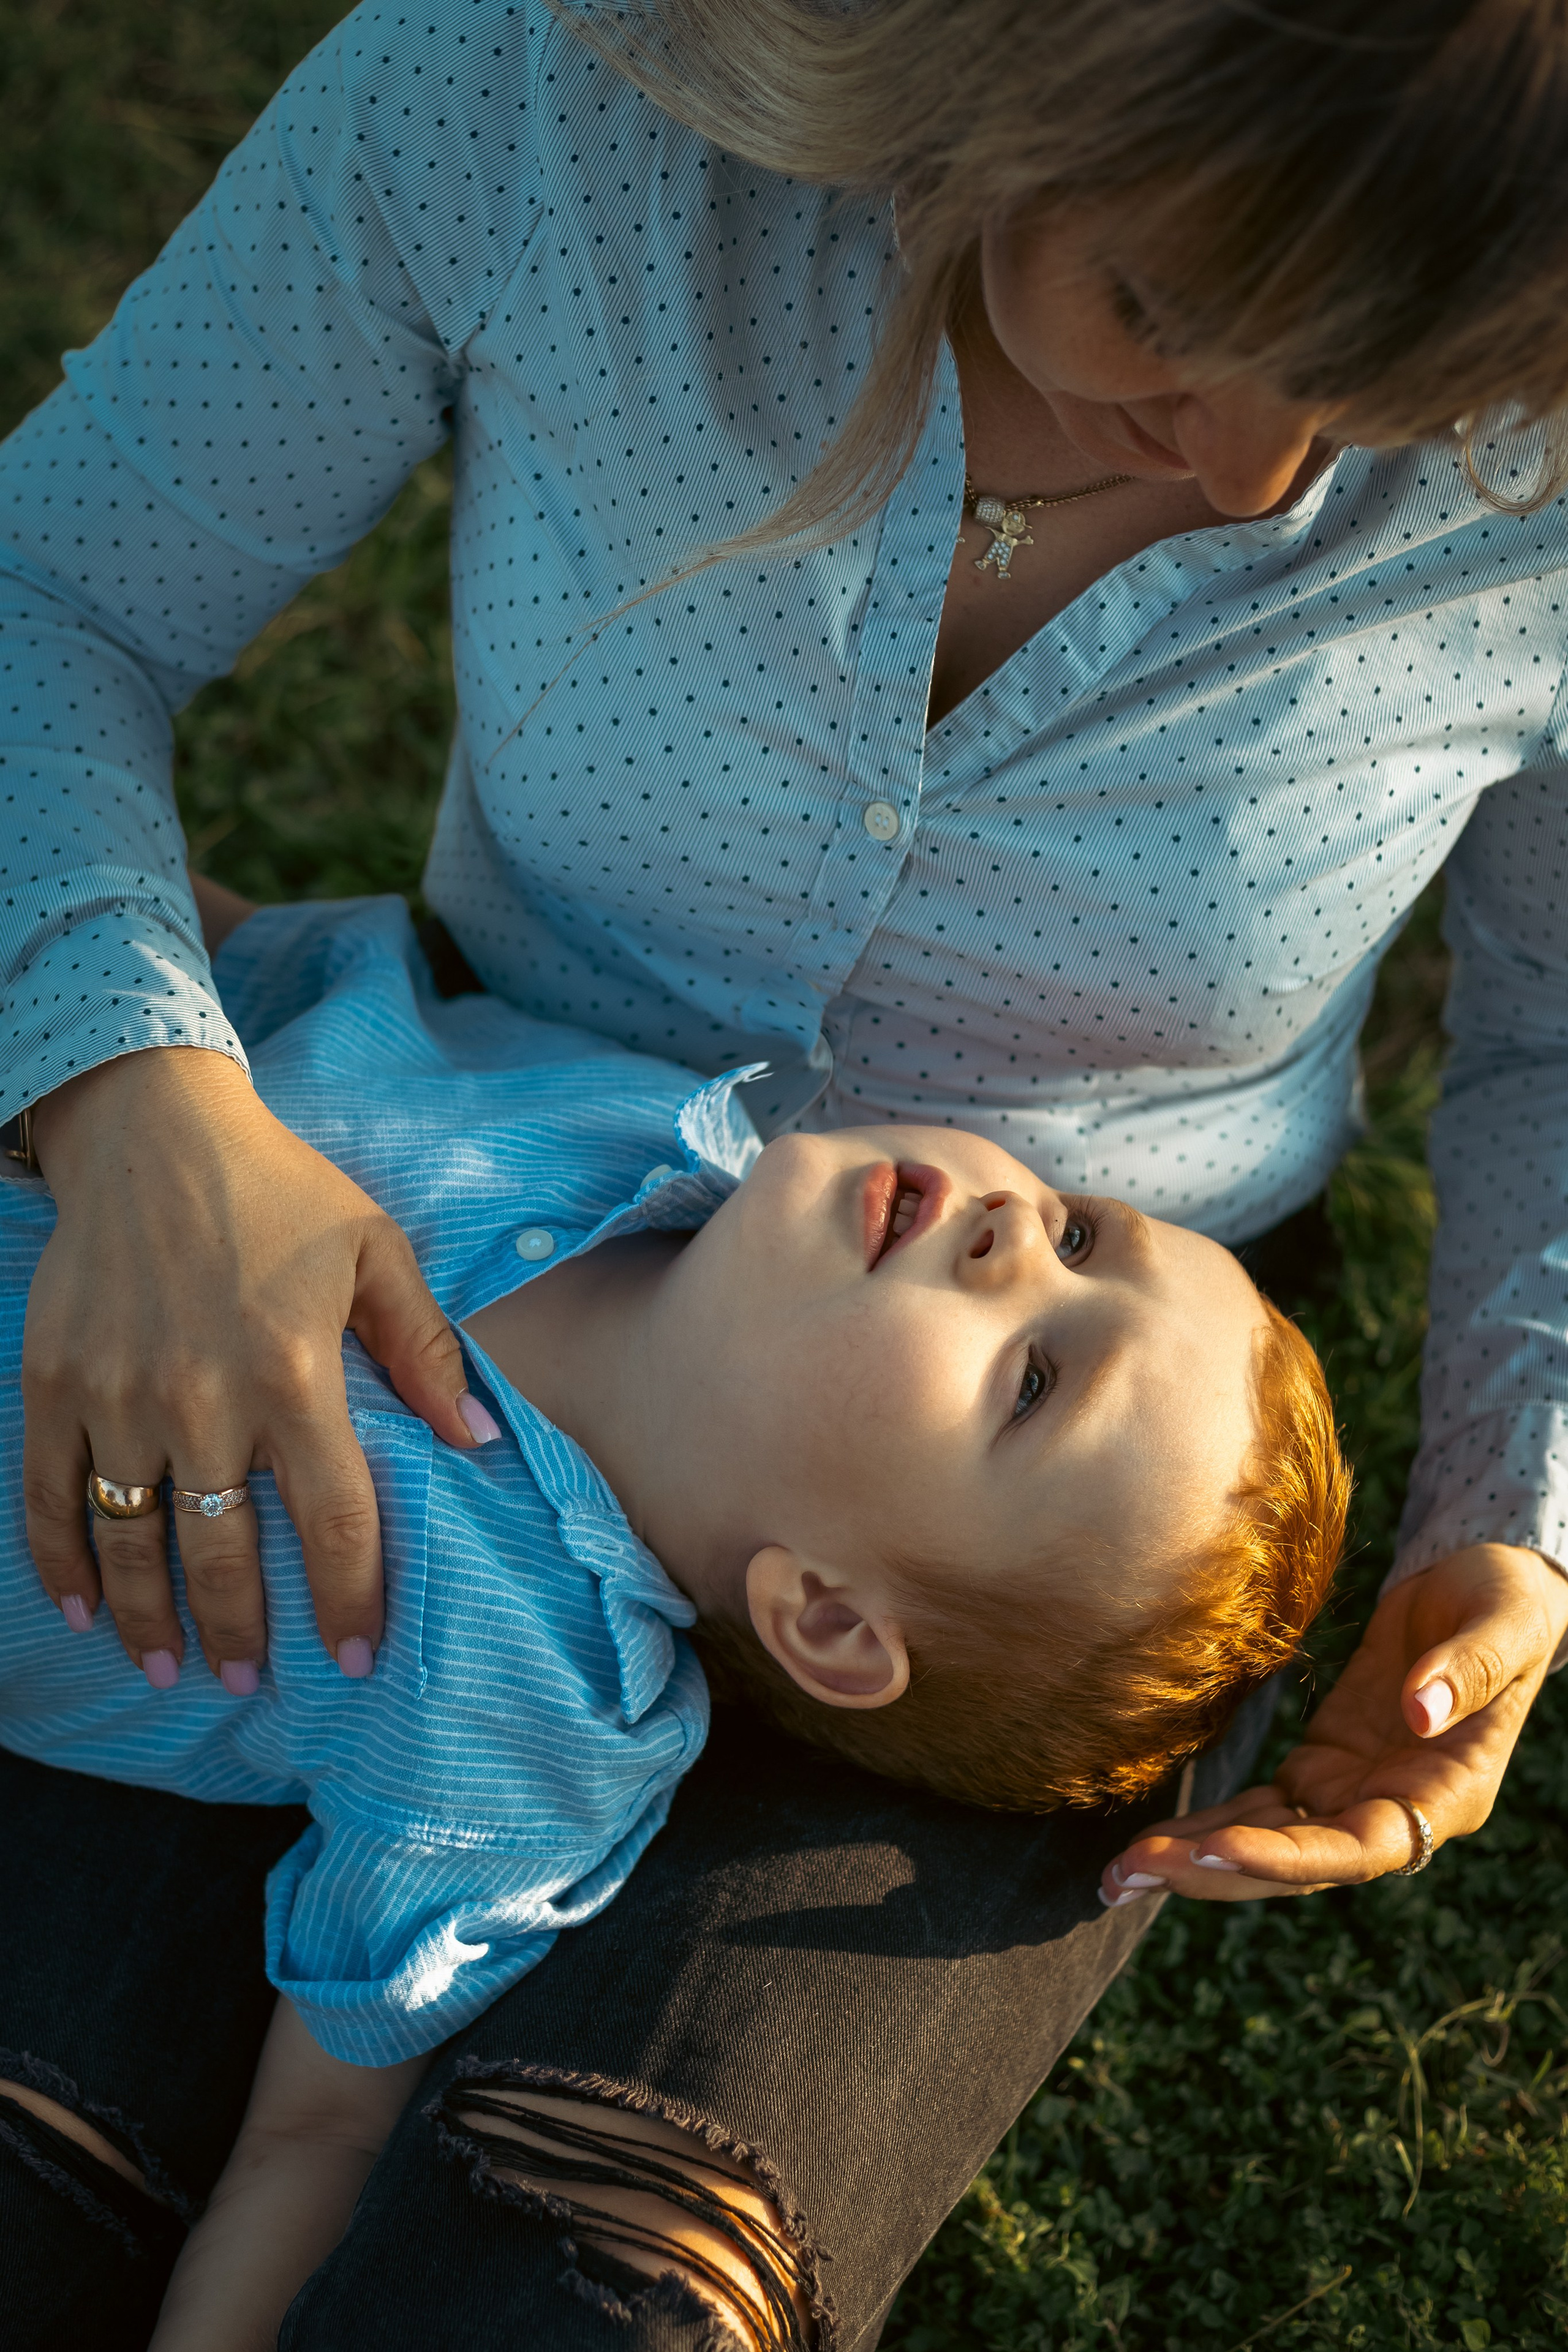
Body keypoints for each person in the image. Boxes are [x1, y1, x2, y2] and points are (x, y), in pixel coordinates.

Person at [4, 0, 1568, 2343]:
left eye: (1401, 393)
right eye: (1174, 308)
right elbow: (53, 597)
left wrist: (1517, 1498)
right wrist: (136, 1090)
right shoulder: (549, 104)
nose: (1260, 469)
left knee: (600, 2274)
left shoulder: (1034, 1471)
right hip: (452, 1124)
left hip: (1044, 1553)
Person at [0, 891, 1344, 2346]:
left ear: (824, 1619)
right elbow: (215, 960)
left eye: (1031, 1381)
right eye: (1085, 1235)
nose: (1016, 1227)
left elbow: (311, 2140)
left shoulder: (531, 1729)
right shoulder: (642, 1128)